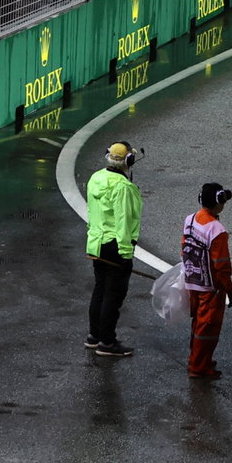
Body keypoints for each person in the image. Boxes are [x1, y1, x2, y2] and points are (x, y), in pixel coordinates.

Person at [86, 142, 144, 357]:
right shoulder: (123, 187)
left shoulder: (96, 178)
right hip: (115, 246)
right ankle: (107, 342)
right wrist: (126, 253)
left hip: (96, 243)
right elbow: (124, 222)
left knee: (100, 290)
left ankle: (95, 336)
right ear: (128, 161)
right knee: (113, 294)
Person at [182, 182, 232, 379]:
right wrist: (229, 289)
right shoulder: (217, 230)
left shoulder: (190, 219)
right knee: (207, 327)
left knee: (197, 323)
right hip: (211, 288)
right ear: (218, 201)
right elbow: (221, 266)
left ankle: (197, 359)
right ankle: (199, 367)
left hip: (192, 281)